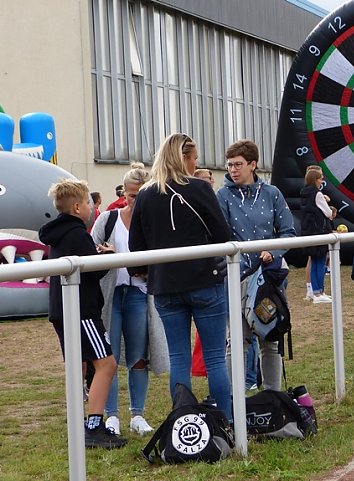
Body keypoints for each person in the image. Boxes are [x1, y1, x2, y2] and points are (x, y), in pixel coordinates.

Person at [129, 133, 234, 422]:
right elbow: (223, 235)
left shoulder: (146, 195)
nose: (196, 163)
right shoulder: (200, 188)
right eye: (195, 158)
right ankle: (225, 421)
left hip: (165, 285)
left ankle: (184, 418)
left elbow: (136, 246)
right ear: (185, 158)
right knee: (214, 358)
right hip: (204, 280)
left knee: (179, 357)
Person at [39, 178, 127, 449]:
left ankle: (80, 425)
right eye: (89, 202)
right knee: (106, 364)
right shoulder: (77, 233)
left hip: (63, 309)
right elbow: (94, 270)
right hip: (83, 311)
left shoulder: (59, 233)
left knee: (81, 365)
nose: (91, 207)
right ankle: (94, 426)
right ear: (77, 207)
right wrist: (108, 256)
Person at [217, 139, 296, 391]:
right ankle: (235, 401)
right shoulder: (222, 196)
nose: (233, 170)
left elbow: (289, 233)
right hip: (236, 278)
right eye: (229, 165)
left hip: (268, 281)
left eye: (238, 164)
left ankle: (273, 396)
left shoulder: (272, 194)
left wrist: (272, 251)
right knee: (236, 341)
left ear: (253, 164)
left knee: (270, 337)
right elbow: (218, 236)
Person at [91, 163, 162, 436]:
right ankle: (111, 415)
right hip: (110, 294)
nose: (136, 201)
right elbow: (88, 253)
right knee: (108, 356)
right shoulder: (107, 219)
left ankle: (137, 414)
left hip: (138, 293)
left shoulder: (153, 223)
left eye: (141, 195)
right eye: (132, 195)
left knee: (138, 356)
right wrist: (103, 254)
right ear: (124, 194)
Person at [300, 167, 336, 303]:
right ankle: (319, 292)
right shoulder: (317, 194)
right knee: (320, 262)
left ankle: (315, 292)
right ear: (315, 180)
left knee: (314, 261)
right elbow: (328, 213)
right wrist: (326, 202)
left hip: (308, 232)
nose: (322, 180)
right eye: (320, 178)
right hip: (319, 232)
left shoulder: (304, 193)